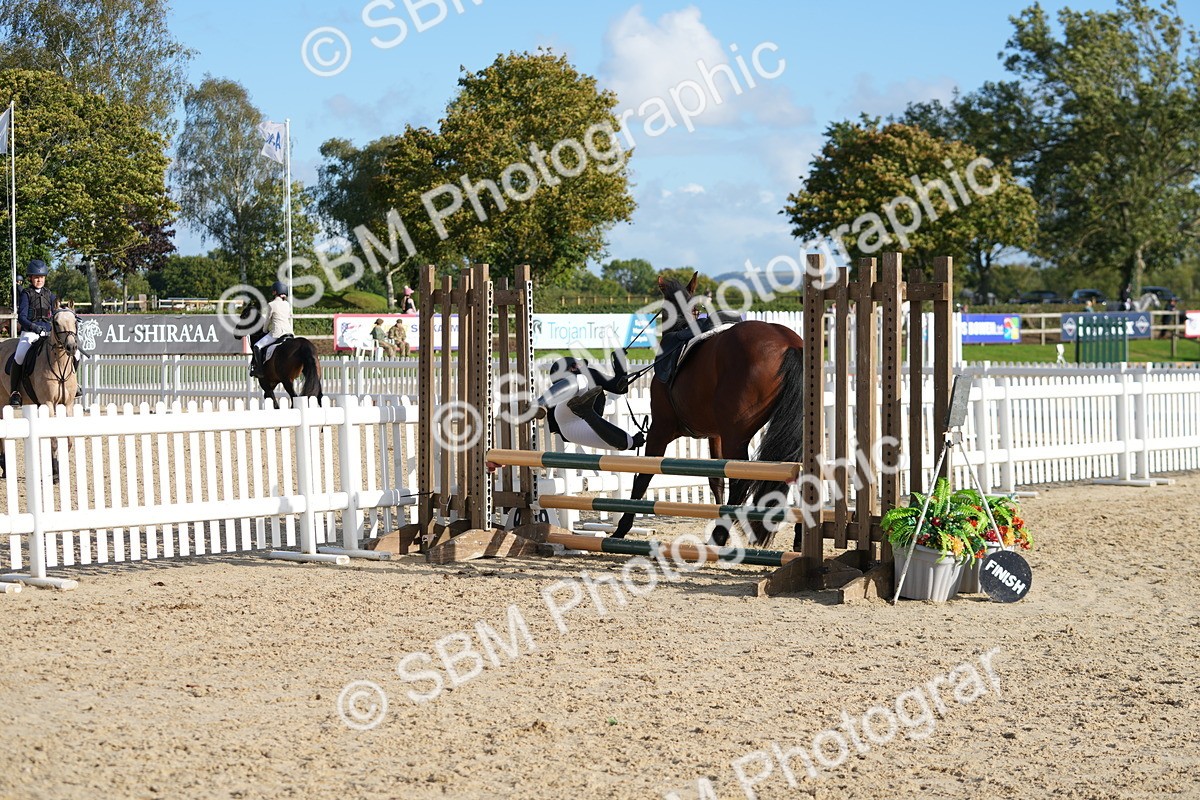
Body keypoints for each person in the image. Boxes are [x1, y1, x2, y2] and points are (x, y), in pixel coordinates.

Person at [538, 354, 645, 451]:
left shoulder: (559, 389)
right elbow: (619, 388)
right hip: (574, 421)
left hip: (577, 428)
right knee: (582, 379)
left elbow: (620, 388)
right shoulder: (582, 375)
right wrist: (619, 360)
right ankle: (540, 402)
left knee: (627, 443)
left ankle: (632, 442)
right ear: (573, 367)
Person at [10, 259, 58, 405]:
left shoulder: (49, 294)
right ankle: (15, 392)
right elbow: (22, 317)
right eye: (36, 277)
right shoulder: (26, 294)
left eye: (41, 277)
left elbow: (55, 312)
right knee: (19, 356)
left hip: (48, 332)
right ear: (31, 278)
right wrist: (34, 327)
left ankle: (73, 385)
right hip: (31, 332)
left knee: (72, 353)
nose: (39, 280)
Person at [250, 282, 293, 378]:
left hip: (277, 333)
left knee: (257, 346)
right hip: (290, 333)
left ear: (274, 292)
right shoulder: (287, 304)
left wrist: (265, 330)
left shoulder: (271, 304)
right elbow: (289, 316)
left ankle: (259, 370)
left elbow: (267, 320)